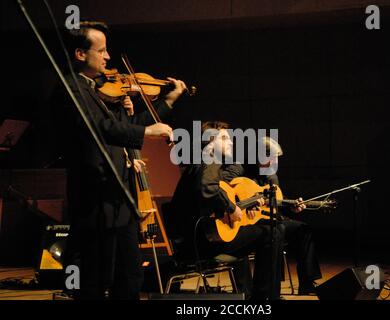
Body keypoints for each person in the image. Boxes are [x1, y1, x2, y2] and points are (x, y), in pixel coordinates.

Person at [51, 20, 186, 299]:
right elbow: (101, 129)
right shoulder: (72, 89)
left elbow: (126, 128)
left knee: (130, 275)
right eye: (101, 51)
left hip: (119, 195)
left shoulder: (100, 90)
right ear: (80, 54)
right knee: (95, 278)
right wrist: (147, 131)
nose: (108, 57)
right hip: (95, 197)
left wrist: (167, 102)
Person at [169, 121, 285, 300]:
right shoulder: (209, 161)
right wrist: (231, 209)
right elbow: (207, 188)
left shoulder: (201, 163)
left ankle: (250, 294)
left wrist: (241, 207)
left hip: (197, 238)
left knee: (262, 229)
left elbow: (212, 191)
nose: (230, 142)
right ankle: (263, 299)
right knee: (272, 232)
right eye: (224, 138)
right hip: (200, 244)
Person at [223, 137, 322, 295]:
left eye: (276, 159)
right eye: (270, 159)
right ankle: (249, 293)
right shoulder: (239, 167)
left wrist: (292, 209)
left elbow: (276, 204)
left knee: (302, 229)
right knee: (274, 230)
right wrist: (243, 203)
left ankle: (307, 283)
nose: (273, 164)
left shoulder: (271, 176)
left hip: (268, 219)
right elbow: (221, 187)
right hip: (243, 221)